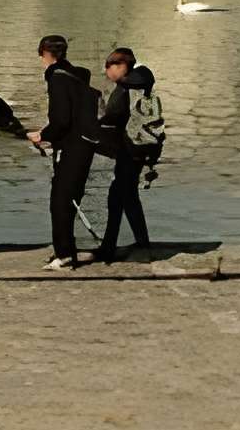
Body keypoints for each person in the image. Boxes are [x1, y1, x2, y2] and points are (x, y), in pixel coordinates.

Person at [26, 34, 96, 268]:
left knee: (60, 201)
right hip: (85, 144)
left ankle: (64, 254)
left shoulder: (57, 78)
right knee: (70, 197)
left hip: (70, 147)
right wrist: (47, 133)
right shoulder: (77, 75)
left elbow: (61, 119)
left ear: (45, 54)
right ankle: (66, 250)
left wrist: (42, 136)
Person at [93, 46, 159, 262]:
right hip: (137, 146)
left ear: (121, 66)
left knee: (117, 196)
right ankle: (140, 242)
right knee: (128, 196)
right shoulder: (136, 84)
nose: (107, 73)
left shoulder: (131, 83)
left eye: (109, 67)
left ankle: (109, 247)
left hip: (132, 147)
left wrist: (96, 123)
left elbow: (113, 114)